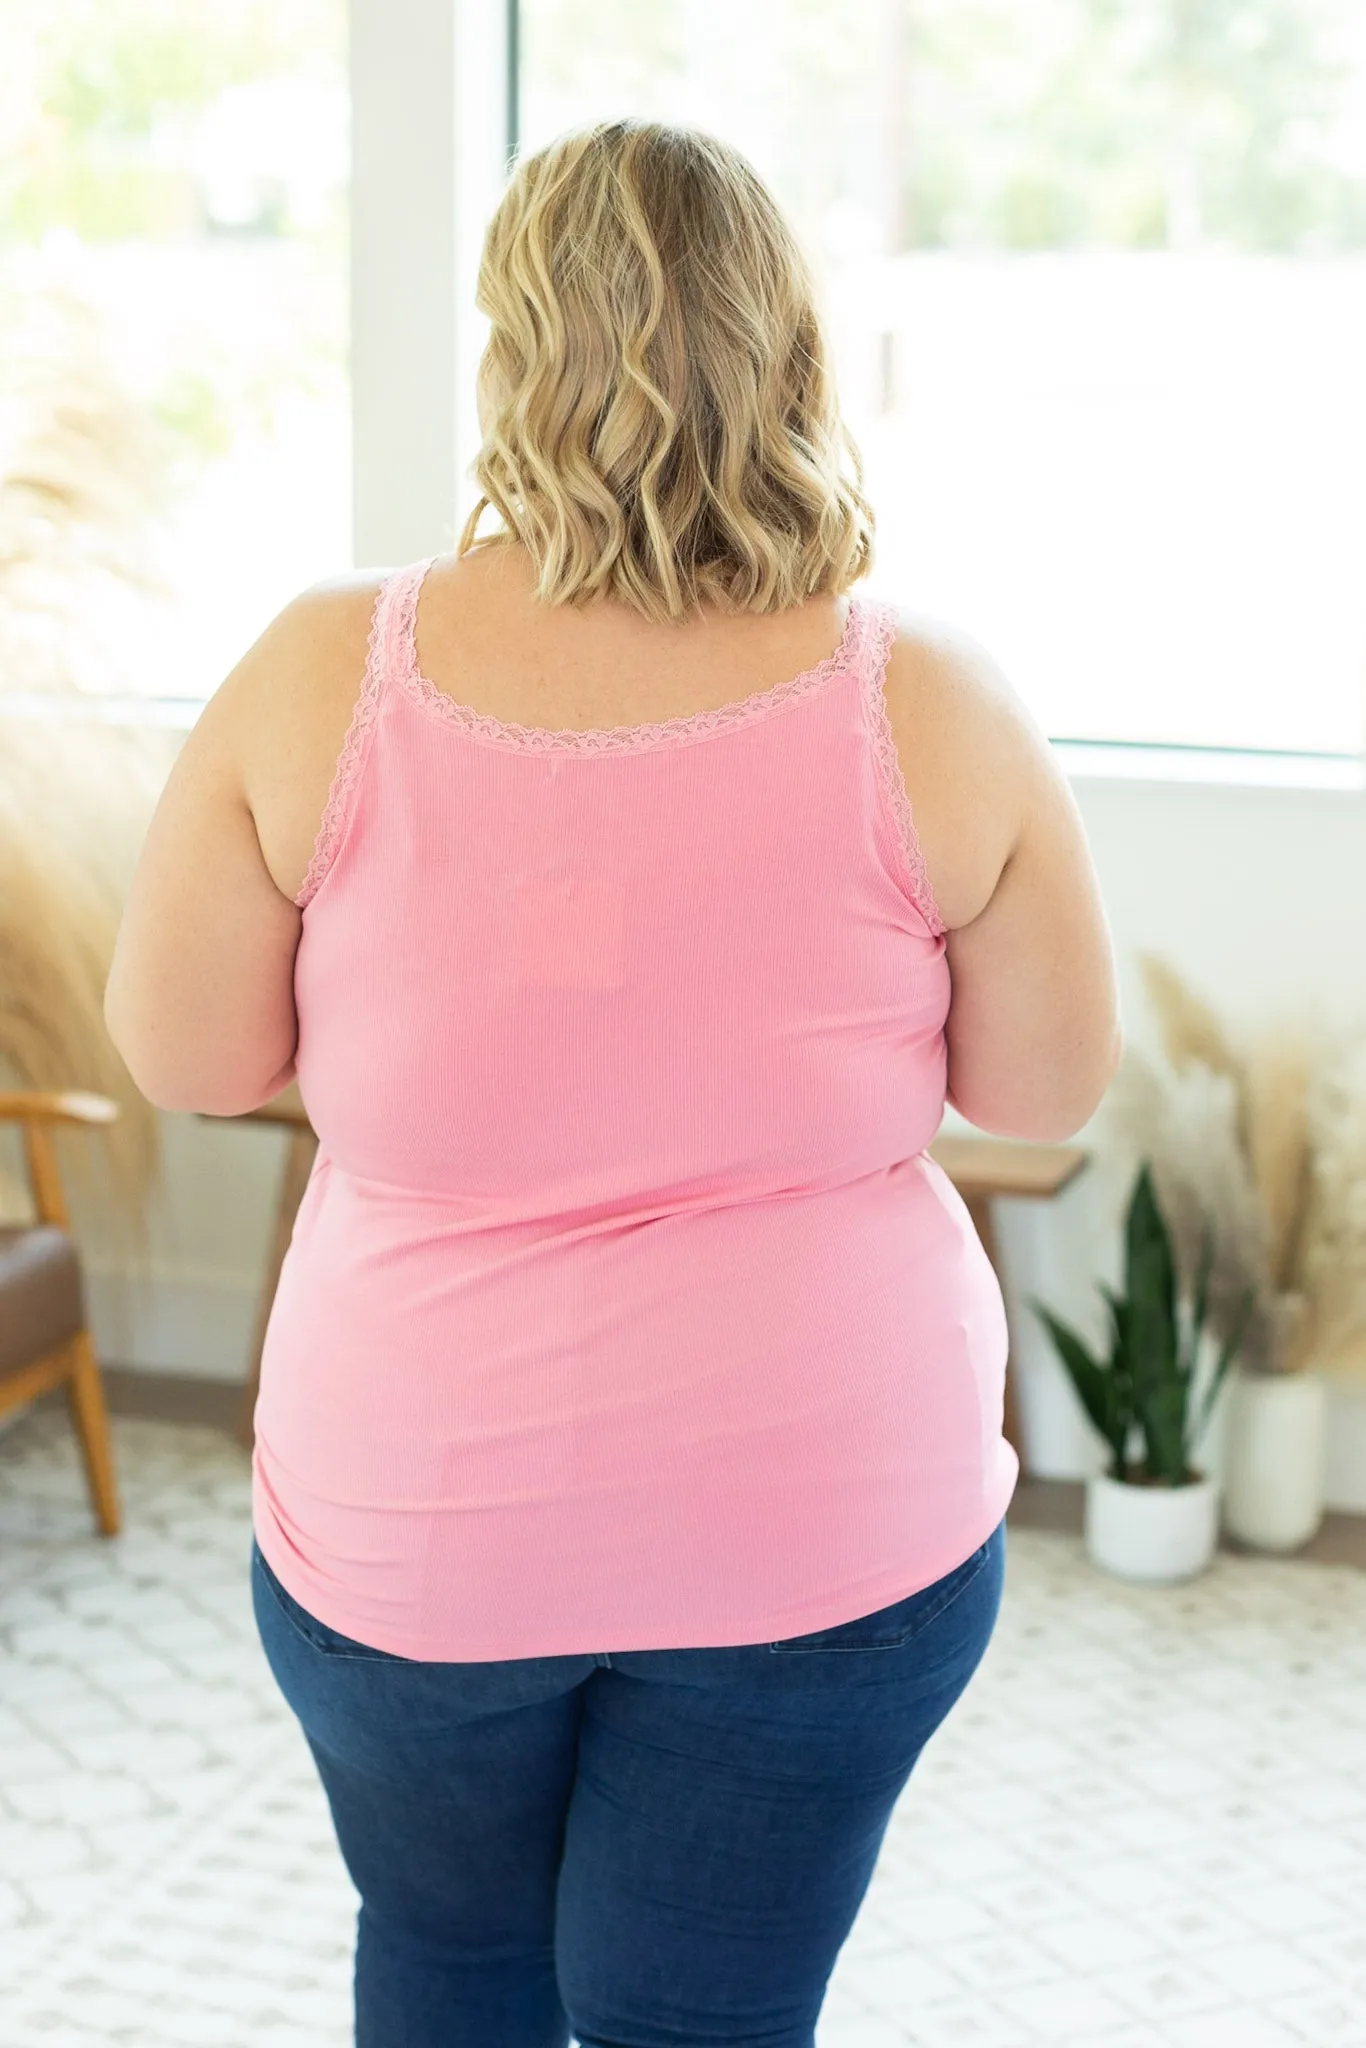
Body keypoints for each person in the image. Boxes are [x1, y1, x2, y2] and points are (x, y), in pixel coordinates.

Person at [104, 118, 1121, 2048]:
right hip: (825, 1526)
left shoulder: (324, 670)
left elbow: (187, 1056)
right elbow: (1046, 1086)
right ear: (788, 350)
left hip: (420, 1519)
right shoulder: (933, 697)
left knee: (452, 1960)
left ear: (509, 356)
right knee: (704, 2019)